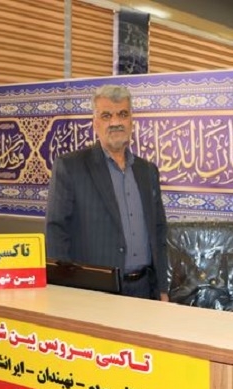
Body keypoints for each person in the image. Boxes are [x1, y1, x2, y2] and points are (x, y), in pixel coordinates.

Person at [45, 85, 169, 301]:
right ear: (95, 123)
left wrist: (163, 289)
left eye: (123, 114)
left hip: (145, 290)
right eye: (106, 115)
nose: (115, 122)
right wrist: (62, 292)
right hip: (95, 292)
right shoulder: (71, 167)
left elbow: (158, 231)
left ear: (131, 120)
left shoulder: (147, 171)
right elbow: (57, 231)